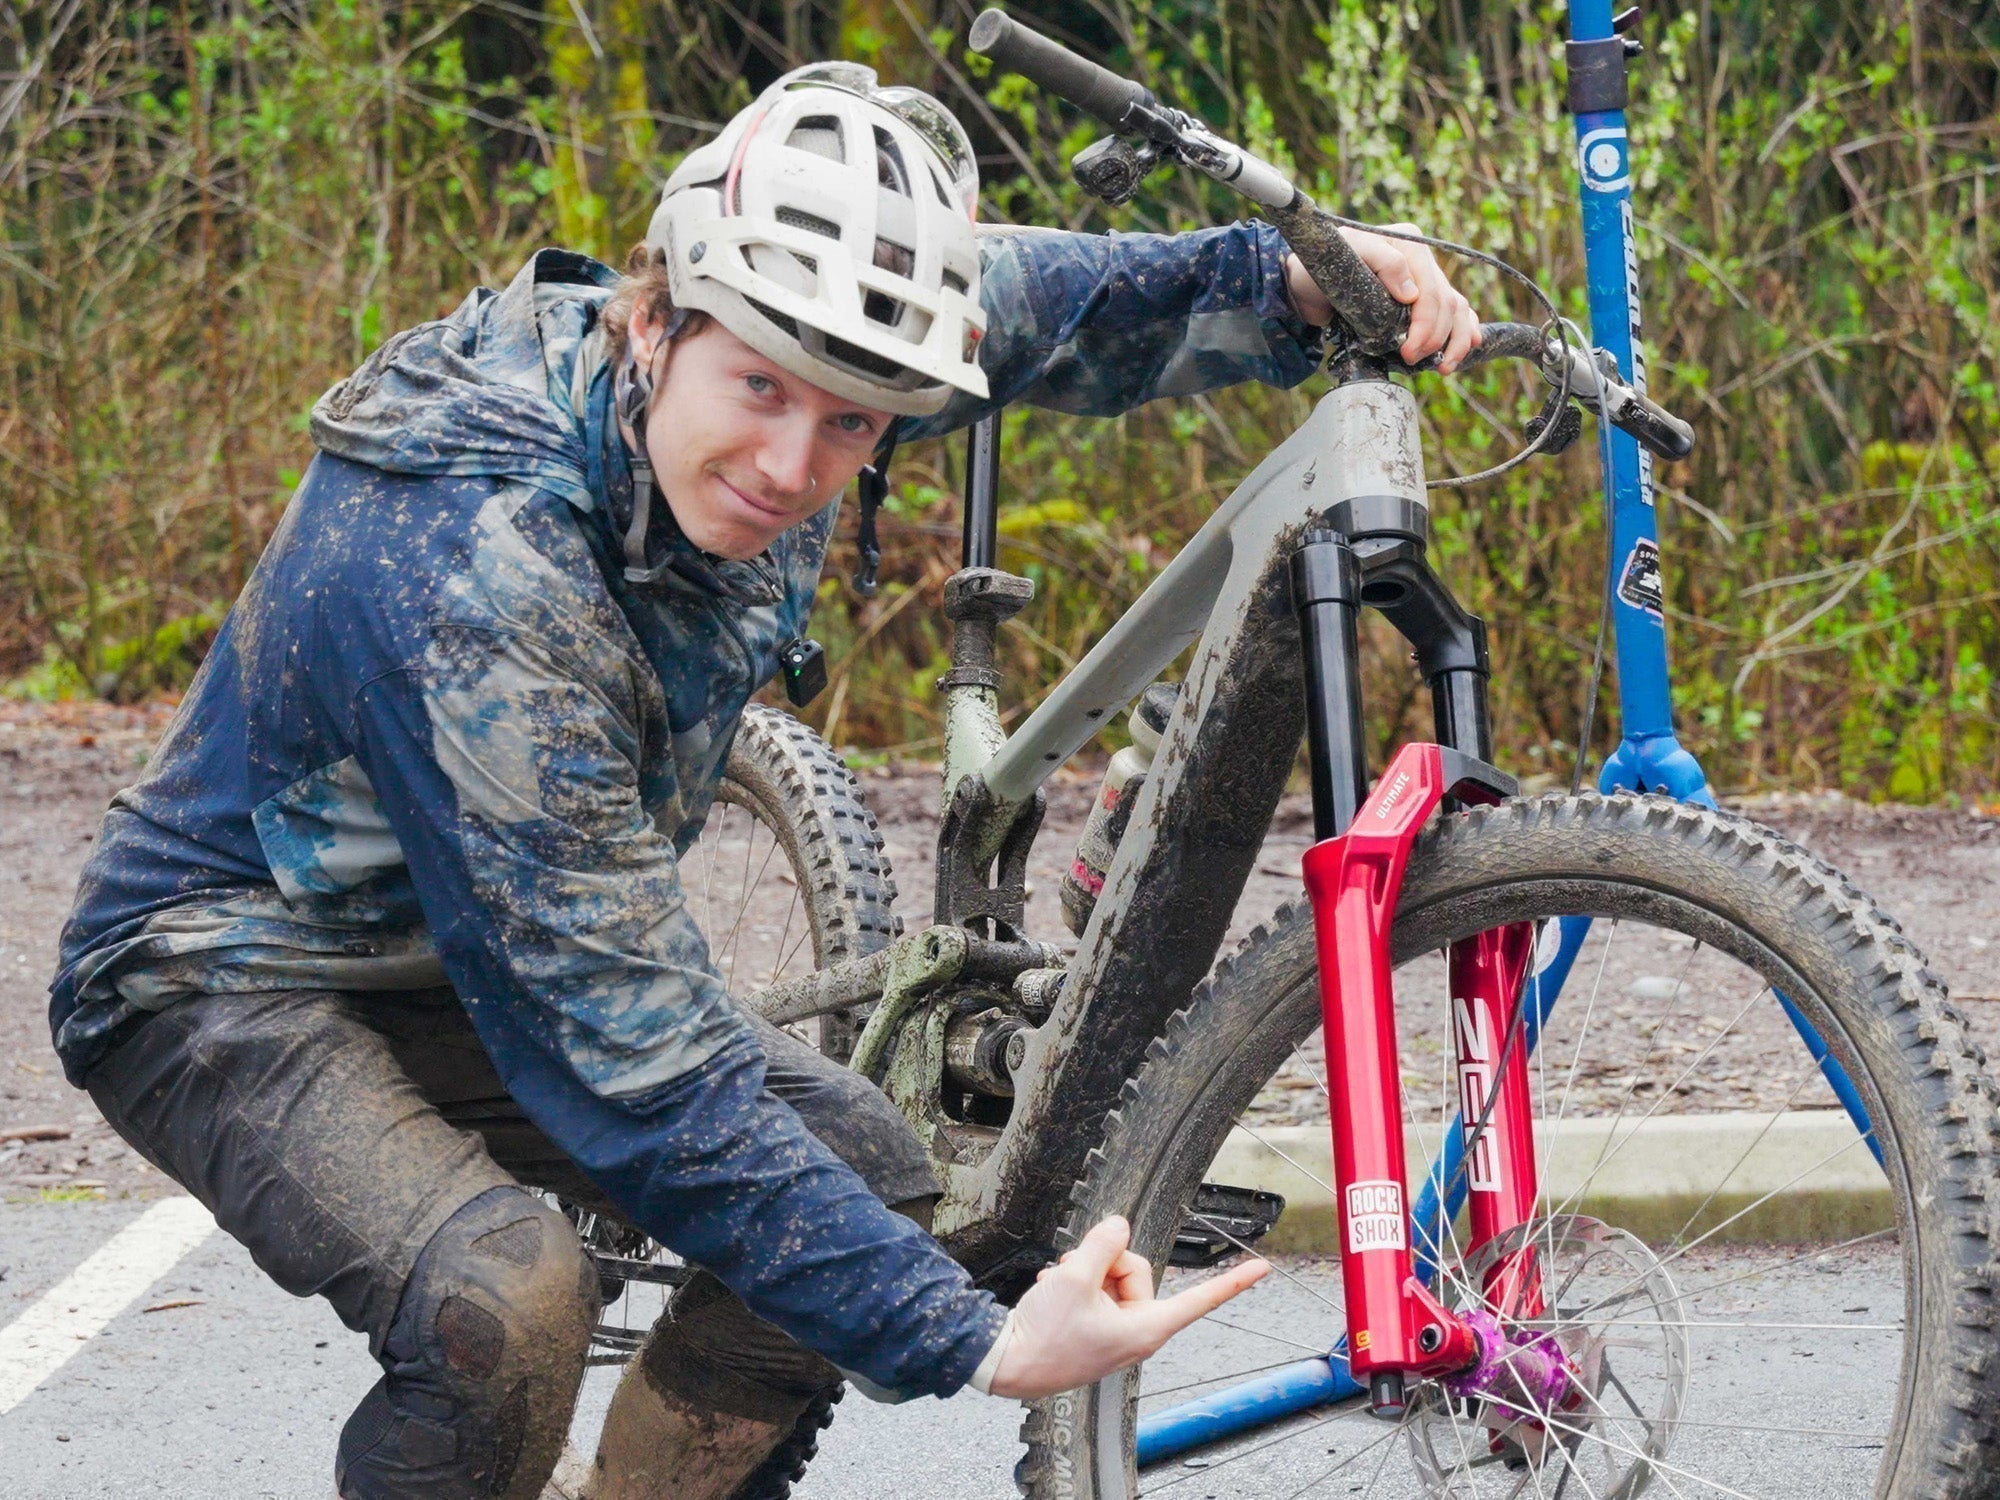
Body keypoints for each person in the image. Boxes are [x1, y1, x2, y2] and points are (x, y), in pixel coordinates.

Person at [47, 61, 1480, 1500]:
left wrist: (1294, 278)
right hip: (225, 975)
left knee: (863, 1179)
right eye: (760, 391)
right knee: (508, 1300)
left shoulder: (786, 344)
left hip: (466, 953)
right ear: (655, 318)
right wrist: (974, 1342)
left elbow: (1045, 303)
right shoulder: (484, 573)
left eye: (854, 421)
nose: (793, 466)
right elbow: (639, 1065)